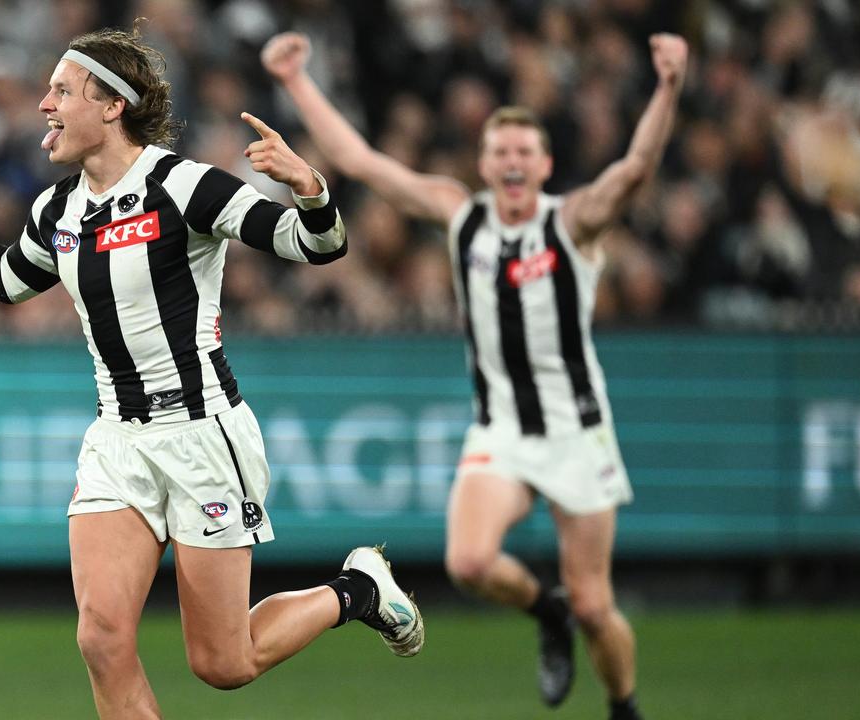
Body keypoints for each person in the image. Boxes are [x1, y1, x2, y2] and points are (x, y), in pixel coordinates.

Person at [0, 27, 423, 720]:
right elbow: (7, 280)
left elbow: (318, 246)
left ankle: (357, 593)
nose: (44, 104)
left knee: (224, 664)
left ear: (111, 107)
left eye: (62, 91)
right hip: (117, 442)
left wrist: (310, 191)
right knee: (101, 639)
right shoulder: (58, 209)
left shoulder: (185, 187)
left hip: (201, 435)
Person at [263, 30, 689, 720]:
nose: (512, 162)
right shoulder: (462, 217)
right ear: (485, 164)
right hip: (503, 429)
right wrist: (296, 80)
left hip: (577, 432)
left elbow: (636, 167)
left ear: (545, 164)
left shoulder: (573, 222)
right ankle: (544, 610)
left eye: (525, 151)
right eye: (501, 152)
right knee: (468, 563)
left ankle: (623, 704)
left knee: (597, 604)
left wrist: (669, 86)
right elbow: (360, 162)